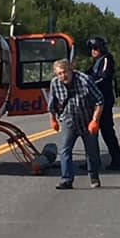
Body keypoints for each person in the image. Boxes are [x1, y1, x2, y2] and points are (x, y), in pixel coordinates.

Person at [48, 58, 104, 189]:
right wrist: (52, 119)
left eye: (65, 72)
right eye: (59, 73)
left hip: (87, 119)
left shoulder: (85, 80)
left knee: (92, 152)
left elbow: (100, 101)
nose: (63, 76)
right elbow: (52, 104)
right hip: (68, 120)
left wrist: (95, 120)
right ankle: (66, 179)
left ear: (71, 70)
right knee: (65, 150)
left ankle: (94, 177)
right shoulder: (55, 83)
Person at [87, 36, 120, 170]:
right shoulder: (95, 62)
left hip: (105, 100)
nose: (93, 51)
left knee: (107, 131)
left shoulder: (106, 60)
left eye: (95, 48)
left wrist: (89, 84)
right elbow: (88, 75)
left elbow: (104, 77)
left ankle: (117, 160)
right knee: (91, 132)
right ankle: (92, 161)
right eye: (91, 48)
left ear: (101, 48)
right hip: (94, 100)